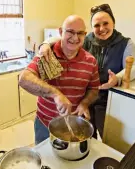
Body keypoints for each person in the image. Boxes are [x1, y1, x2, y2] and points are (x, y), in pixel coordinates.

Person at [38, 4, 135, 138]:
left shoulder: (126, 43)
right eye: (97, 25)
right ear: (91, 28)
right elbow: (65, 37)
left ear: (113, 23)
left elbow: (134, 67)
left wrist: (118, 78)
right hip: (86, 98)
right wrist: (45, 44)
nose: (102, 29)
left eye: (106, 23)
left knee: (108, 136)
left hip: (109, 101)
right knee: (86, 134)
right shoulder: (86, 39)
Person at [19, 15, 100, 144]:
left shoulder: (91, 61)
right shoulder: (47, 55)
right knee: (45, 159)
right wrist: (55, 94)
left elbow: (94, 89)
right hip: (45, 124)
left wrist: (84, 103)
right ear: (61, 32)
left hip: (74, 125)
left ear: (85, 35)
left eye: (80, 33)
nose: (75, 38)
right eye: (70, 32)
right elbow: (24, 79)